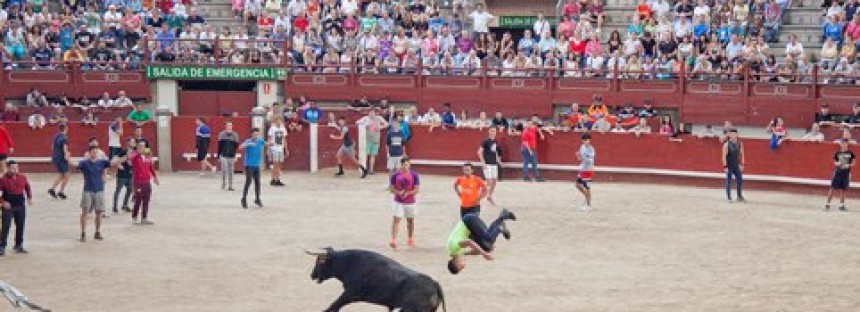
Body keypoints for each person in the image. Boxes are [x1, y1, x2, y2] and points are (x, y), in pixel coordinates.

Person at [446, 208, 516, 275]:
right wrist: (485, 251)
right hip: (470, 230)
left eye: (460, 267)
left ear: (456, 263)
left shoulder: (453, 248)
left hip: (469, 221)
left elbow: (469, 242)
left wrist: (484, 254)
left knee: (488, 239)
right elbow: (474, 251)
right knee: (487, 247)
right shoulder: (457, 253)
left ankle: (501, 224)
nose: (463, 267)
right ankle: (501, 220)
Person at [77, 146, 119, 242]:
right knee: (85, 212)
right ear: (89, 153)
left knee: (99, 212)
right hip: (88, 190)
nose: (94, 154)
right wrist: (67, 159)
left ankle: (97, 232)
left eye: (96, 152)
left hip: (99, 190)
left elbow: (113, 163)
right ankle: (83, 233)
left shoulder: (102, 162)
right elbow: (75, 164)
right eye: (93, 152)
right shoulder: (84, 163)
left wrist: (124, 157)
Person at [0, 161, 33, 256]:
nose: (15, 170)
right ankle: (2, 246)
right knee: (5, 226)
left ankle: (18, 245)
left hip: (20, 205)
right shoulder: (3, 179)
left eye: (16, 168)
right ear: (8, 168)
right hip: (8, 206)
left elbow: (27, 187)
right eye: (13, 168)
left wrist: (29, 197)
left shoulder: (22, 177)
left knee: (20, 226)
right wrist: (3, 202)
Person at [388, 158, 419, 249]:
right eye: (404, 165)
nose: (405, 167)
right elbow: (391, 188)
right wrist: (399, 193)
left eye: (407, 164)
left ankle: (410, 238)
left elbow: (417, 189)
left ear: (409, 165)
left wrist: (408, 193)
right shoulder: (395, 175)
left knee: (410, 221)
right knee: (396, 220)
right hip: (399, 201)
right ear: (401, 165)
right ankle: (393, 239)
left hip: (410, 201)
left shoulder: (414, 175)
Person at [129, 142, 159, 224]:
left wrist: (155, 177)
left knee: (146, 200)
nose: (143, 148)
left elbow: (151, 168)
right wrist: (134, 149)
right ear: (138, 148)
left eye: (144, 147)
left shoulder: (148, 157)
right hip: (138, 182)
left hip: (147, 181)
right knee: (138, 200)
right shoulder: (135, 157)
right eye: (141, 147)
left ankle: (144, 217)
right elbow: (131, 156)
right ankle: (134, 217)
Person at [239, 128, 267, 208]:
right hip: (249, 165)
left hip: (256, 165)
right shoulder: (248, 141)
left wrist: (273, 143)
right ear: (251, 134)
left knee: (258, 182)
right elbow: (241, 147)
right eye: (254, 134)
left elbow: (266, 143)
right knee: (248, 182)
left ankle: (257, 198)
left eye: (257, 134)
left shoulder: (260, 140)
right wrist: (247, 144)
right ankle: (243, 199)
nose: (256, 136)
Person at [357, 108, 389, 175]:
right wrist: (364, 125)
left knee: (373, 155)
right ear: (368, 113)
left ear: (375, 113)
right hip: (367, 139)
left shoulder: (379, 118)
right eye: (370, 113)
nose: (372, 114)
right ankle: (364, 168)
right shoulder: (365, 118)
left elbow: (387, 124)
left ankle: (371, 169)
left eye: (373, 113)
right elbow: (357, 122)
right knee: (366, 155)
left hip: (375, 139)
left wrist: (380, 127)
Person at [826, 139, 855, 211]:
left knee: (844, 189)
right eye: (843, 143)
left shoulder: (851, 153)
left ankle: (841, 205)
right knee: (832, 188)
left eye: (845, 143)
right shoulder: (837, 153)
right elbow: (834, 162)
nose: (844, 145)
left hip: (846, 173)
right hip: (838, 172)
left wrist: (849, 165)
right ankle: (827, 204)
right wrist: (838, 164)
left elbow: (854, 163)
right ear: (841, 144)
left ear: (847, 144)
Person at [477, 128, 502, 205]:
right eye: (491, 131)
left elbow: (496, 152)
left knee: (494, 182)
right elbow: (479, 152)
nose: (493, 132)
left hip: (494, 164)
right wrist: (483, 163)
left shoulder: (495, 141)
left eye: (494, 131)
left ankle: (489, 196)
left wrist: (498, 161)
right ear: (489, 131)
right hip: (487, 164)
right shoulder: (485, 141)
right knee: (489, 182)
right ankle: (478, 198)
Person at [112, 138, 135, 214]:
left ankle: (125, 205)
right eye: (132, 142)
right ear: (128, 143)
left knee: (130, 189)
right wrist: (120, 164)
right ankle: (114, 206)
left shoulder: (135, 152)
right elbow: (114, 160)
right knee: (118, 190)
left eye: (134, 142)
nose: (134, 143)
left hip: (129, 175)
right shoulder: (122, 152)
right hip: (122, 175)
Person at [722, 129, 745, 203]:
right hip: (729, 165)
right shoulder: (726, 144)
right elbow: (723, 156)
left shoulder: (740, 144)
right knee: (729, 181)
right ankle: (729, 197)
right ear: (729, 135)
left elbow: (742, 154)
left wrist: (742, 164)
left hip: (737, 165)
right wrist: (725, 166)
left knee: (740, 180)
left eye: (735, 134)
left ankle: (739, 196)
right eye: (732, 134)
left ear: (737, 135)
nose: (733, 136)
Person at [48, 124, 71, 200]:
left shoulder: (56, 136)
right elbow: (64, 148)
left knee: (61, 174)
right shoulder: (64, 137)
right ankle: (61, 192)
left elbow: (52, 147)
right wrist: (67, 157)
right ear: (66, 128)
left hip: (55, 157)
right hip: (61, 158)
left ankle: (52, 189)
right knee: (67, 175)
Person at [217, 121, 241, 191]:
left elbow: (236, 147)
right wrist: (218, 156)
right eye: (228, 126)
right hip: (223, 155)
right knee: (224, 170)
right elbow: (219, 146)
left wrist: (235, 155)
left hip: (231, 155)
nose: (229, 127)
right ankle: (224, 182)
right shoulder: (221, 134)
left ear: (232, 127)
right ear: (225, 126)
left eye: (230, 126)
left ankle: (230, 185)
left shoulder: (235, 135)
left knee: (231, 171)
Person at [576, 133, 596, 210]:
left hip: (588, 170)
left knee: (587, 187)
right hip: (582, 169)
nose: (585, 141)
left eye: (587, 140)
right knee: (577, 185)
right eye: (584, 140)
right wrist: (579, 157)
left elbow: (589, 161)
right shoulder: (582, 147)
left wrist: (582, 156)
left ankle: (588, 205)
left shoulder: (591, 149)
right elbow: (581, 159)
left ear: (590, 140)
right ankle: (586, 197)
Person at [267, 117, 288, 186]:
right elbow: (269, 139)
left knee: (279, 164)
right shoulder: (272, 128)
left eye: (279, 120)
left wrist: (286, 149)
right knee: (275, 164)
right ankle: (274, 179)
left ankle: (277, 179)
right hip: (274, 148)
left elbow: (284, 139)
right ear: (275, 121)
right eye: (277, 120)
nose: (278, 121)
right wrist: (268, 148)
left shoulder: (283, 128)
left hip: (280, 148)